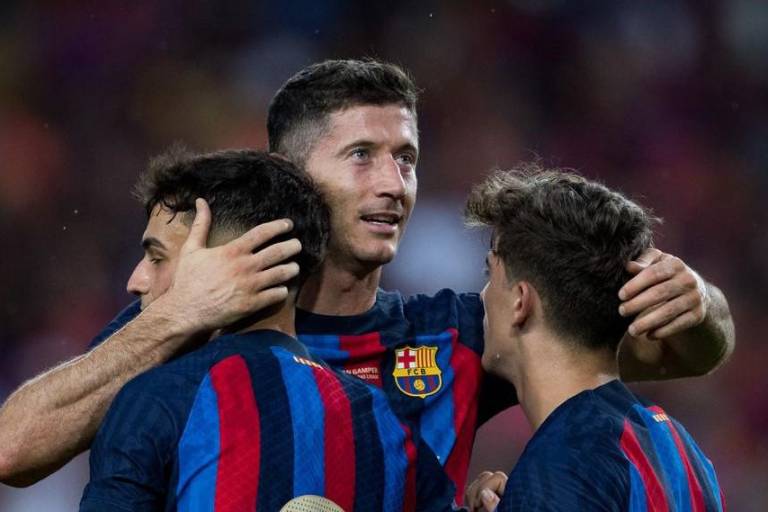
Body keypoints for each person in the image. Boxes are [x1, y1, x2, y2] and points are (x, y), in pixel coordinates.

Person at [0, 60, 735, 508]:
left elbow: (670, 354)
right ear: (291, 174)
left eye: (406, 157)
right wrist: (173, 318)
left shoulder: (457, 331)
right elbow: (13, 449)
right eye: (361, 155)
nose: (394, 184)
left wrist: (701, 306)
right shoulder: (201, 319)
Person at [80, 148, 449, 511]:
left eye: (157, 257)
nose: (137, 280)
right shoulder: (390, 427)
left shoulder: (158, 399)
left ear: (231, 263)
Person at [465, 166, 724, 510]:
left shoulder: (559, 470)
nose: (482, 296)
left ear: (520, 302)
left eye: (490, 273)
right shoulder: (679, 445)